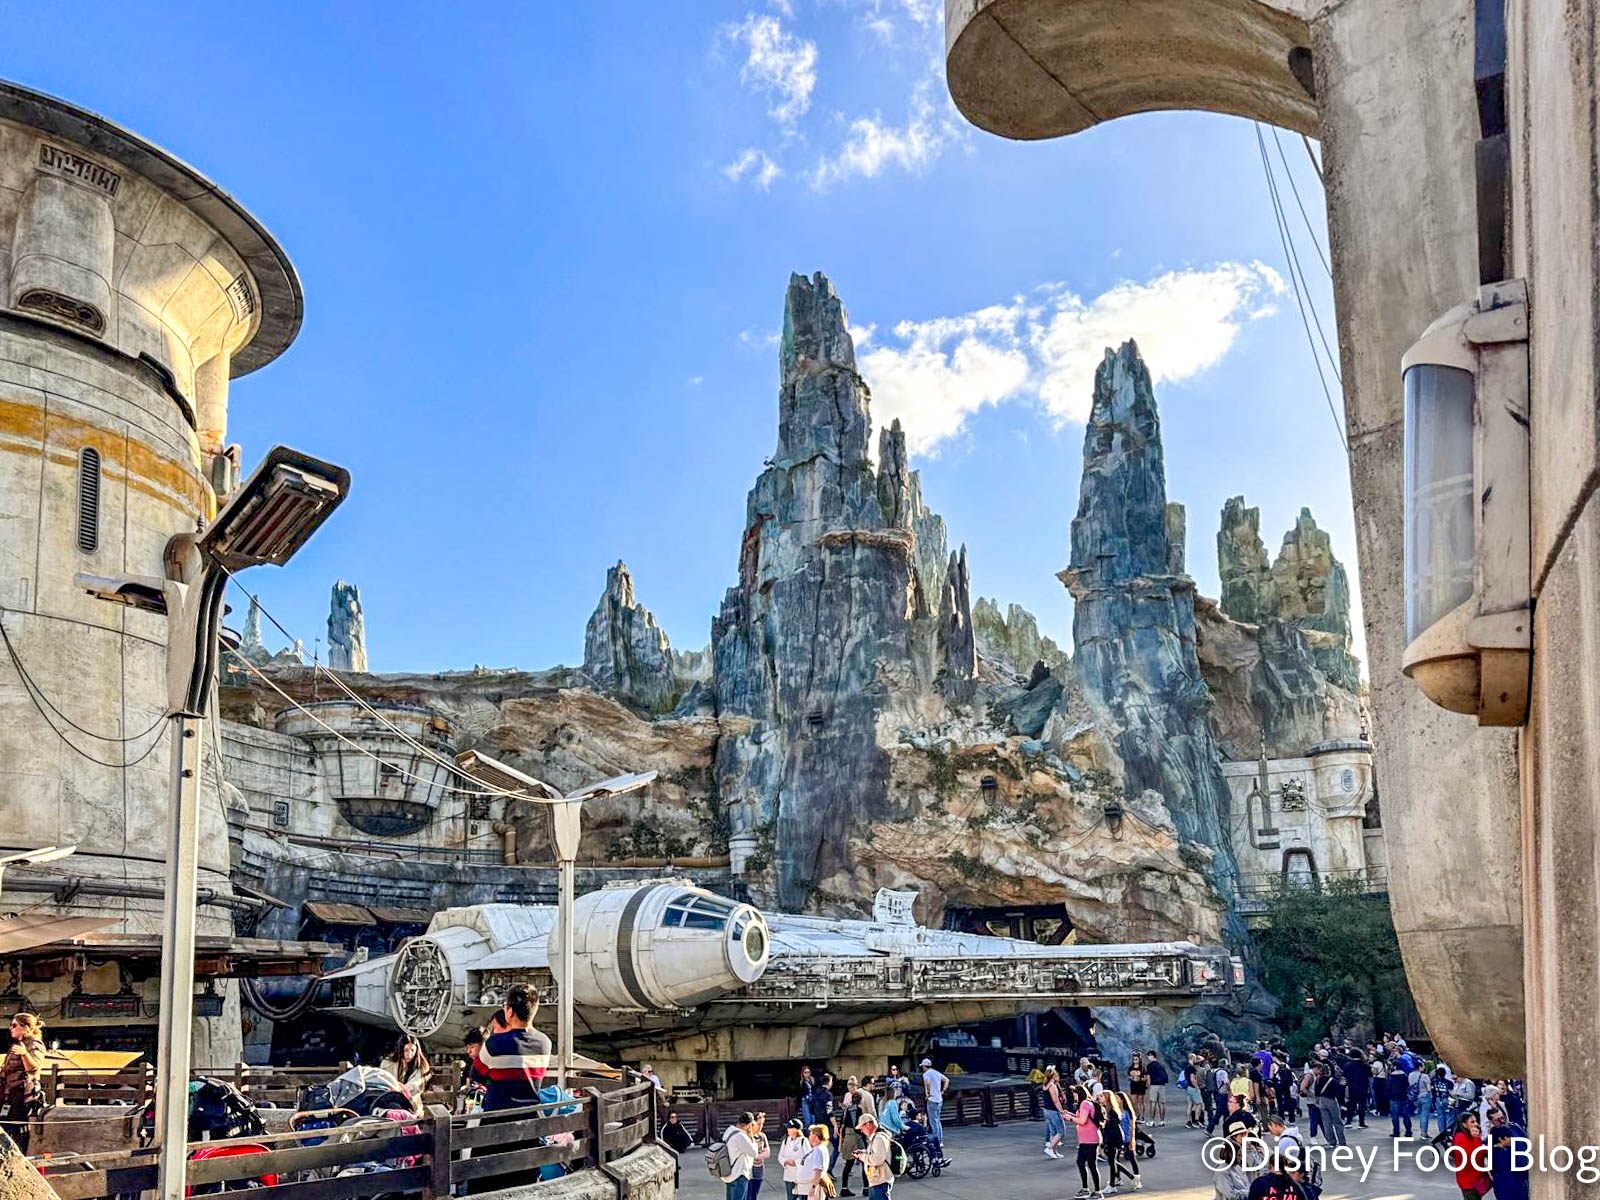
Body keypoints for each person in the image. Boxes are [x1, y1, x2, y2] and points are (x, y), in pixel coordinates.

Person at [476, 984, 551, 1111]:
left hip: (496, 1117)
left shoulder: (493, 1043)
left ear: (510, 1012)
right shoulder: (545, 1042)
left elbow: (477, 1075)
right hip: (531, 1114)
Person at [0, 1014, 43, 1154]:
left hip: (21, 1097)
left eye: (14, 1025)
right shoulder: (18, 1044)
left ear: (26, 1028)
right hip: (9, 1095)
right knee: (6, 1131)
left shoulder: (34, 1044)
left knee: (17, 1134)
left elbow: (34, 1069)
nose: (10, 1028)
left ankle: (18, 1161)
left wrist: (24, 1054)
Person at [1069, 1084, 1104, 1199]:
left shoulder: (1084, 1104)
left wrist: (1070, 1118)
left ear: (1079, 1094)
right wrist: (1069, 1114)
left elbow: (1082, 1121)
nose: (1074, 1096)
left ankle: (1092, 1190)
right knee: (1086, 1163)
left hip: (1089, 1139)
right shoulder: (1086, 1103)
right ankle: (1091, 1190)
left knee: (1087, 1164)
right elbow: (1081, 1117)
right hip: (1088, 1139)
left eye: (1075, 1094)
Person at [719, 1112, 760, 1200]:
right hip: (739, 1175)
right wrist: (752, 1137)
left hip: (728, 1172)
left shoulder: (729, 1130)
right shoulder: (741, 1136)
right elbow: (754, 1153)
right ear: (748, 1125)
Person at [1451, 1113, 1492, 1200]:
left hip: (1475, 1179)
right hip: (1469, 1181)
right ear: (1464, 1124)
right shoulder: (1460, 1137)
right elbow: (1475, 1156)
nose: (1476, 1124)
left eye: (1476, 1121)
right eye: (1472, 1122)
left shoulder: (1470, 1136)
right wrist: (1477, 1139)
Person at [1489, 1115, 1530, 1200]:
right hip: (1514, 1188)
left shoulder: (1493, 1151)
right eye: (1509, 1137)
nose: (1511, 1139)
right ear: (1501, 1139)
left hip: (1503, 1189)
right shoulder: (1508, 1152)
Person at [853, 1114, 894, 1200]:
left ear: (868, 1124)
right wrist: (864, 1152)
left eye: (862, 1127)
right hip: (878, 1180)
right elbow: (876, 1154)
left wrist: (861, 1156)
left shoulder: (879, 1138)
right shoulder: (877, 1137)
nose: (861, 1131)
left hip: (880, 1180)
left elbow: (877, 1159)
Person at [379, 1033, 432, 1099]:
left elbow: (415, 1084)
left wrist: (400, 1090)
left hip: (411, 1100)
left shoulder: (421, 1066)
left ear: (416, 1050)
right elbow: (383, 1083)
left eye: (412, 1050)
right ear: (400, 1050)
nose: (409, 1054)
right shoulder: (387, 1064)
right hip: (389, 1099)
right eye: (406, 1050)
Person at [920, 1058, 950, 1168]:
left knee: (933, 1122)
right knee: (938, 1120)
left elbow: (927, 1082)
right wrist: (942, 1091)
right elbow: (946, 1080)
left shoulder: (926, 1074)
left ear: (924, 1066)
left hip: (932, 1099)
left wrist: (928, 1093)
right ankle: (941, 1140)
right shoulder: (936, 1073)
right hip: (939, 1099)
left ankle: (937, 1140)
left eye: (922, 1066)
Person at [1310, 1063, 1346, 1147]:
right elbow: (1338, 1091)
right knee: (1337, 1121)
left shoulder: (1318, 1080)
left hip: (1321, 1101)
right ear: (1328, 1071)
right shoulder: (1332, 1080)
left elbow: (1316, 1092)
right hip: (1331, 1100)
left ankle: (1331, 1141)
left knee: (1326, 1122)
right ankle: (1342, 1141)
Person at [797, 1124, 831, 1200]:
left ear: (816, 1136)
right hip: (806, 1187)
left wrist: (813, 1188)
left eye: (811, 1134)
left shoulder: (818, 1150)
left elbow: (818, 1171)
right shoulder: (816, 1149)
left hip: (814, 1187)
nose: (809, 1136)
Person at [1043, 1066, 1070, 1159]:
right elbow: (1056, 1101)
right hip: (1053, 1111)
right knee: (1061, 1131)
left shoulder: (1045, 1085)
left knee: (1053, 1132)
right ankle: (1050, 1148)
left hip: (1047, 1110)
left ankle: (1054, 1151)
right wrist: (1062, 1111)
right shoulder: (1052, 1086)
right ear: (1054, 1076)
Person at [777, 1120, 807, 1200]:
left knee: (803, 1197)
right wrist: (785, 1161)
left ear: (796, 1129)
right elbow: (780, 1156)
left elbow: (808, 1157)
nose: (788, 1129)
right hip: (789, 1175)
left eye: (790, 1128)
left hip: (801, 1176)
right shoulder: (786, 1141)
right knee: (791, 1198)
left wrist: (796, 1162)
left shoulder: (803, 1141)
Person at [1387, 1054, 1414, 1139]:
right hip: (1404, 1097)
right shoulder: (1405, 1076)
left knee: (1395, 1116)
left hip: (1394, 1098)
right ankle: (1408, 1131)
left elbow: (1388, 1087)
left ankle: (1396, 1132)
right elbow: (1408, 1086)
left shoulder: (1392, 1077)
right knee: (1406, 1116)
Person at [1145, 1052, 1169, 1126]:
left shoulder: (1150, 1065)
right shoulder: (1161, 1065)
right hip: (1162, 1085)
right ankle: (1162, 1121)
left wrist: (1147, 1086)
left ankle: (1152, 1121)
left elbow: (1148, 1077)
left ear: (1152, 1056)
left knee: (1153, 1103)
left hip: (1154, 1085)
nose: (1147, 1058)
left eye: (1148, 1056)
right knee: (1161, 1103)